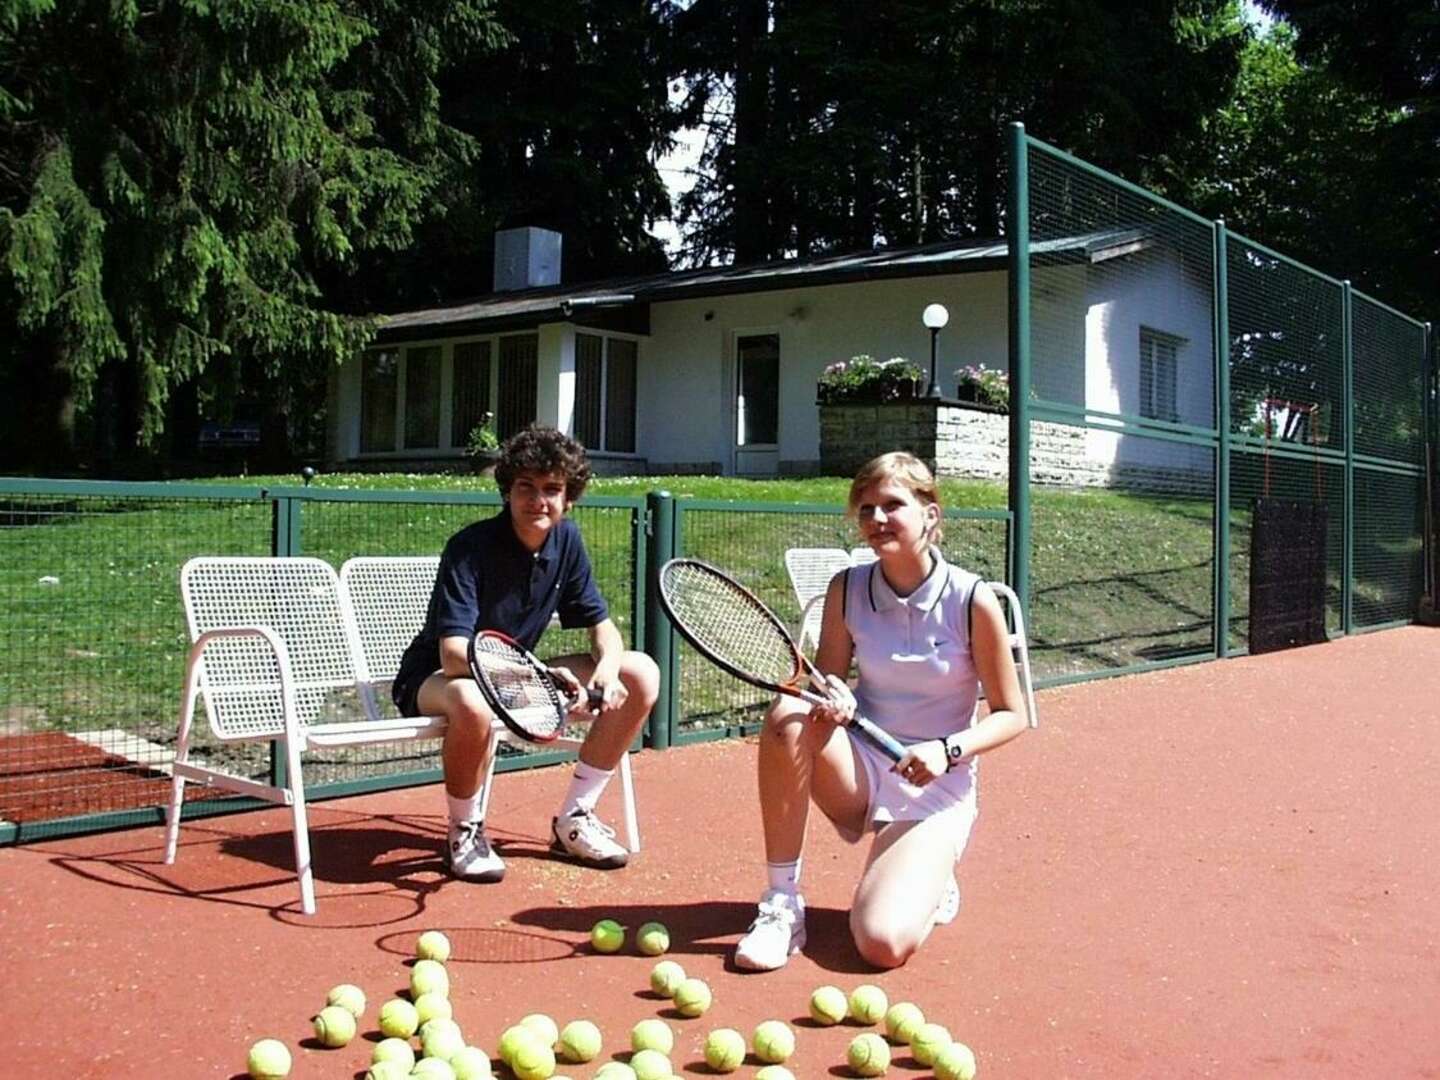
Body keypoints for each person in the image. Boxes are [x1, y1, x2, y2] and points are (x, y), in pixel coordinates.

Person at [733, 451, 1030, 971]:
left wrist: (946, 750)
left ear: (930, 515)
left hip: (937, 787)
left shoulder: (972, 599)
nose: (876, 519)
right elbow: (822, 682)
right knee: (787, 714)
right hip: (862, 769)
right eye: (866, 508)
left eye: (892, 505)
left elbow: (1013, 714)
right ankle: (782, 903)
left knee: (882, 944)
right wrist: (833, 697)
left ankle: (929, 875)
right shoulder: (847, 588)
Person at [392, 425, 659, 883]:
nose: (539, 500)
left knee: (641, 672)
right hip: (436, 679)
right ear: (508, 492)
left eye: (552, 489)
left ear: (568, 498)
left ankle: (574, 818)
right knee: (473, 703)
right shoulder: (469, 548)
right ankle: (464, 830)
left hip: (510, 671)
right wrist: (533, 677)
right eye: (526, 488)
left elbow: (604, 630)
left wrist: (607, 675)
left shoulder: (567, 542)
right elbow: (455, 655)